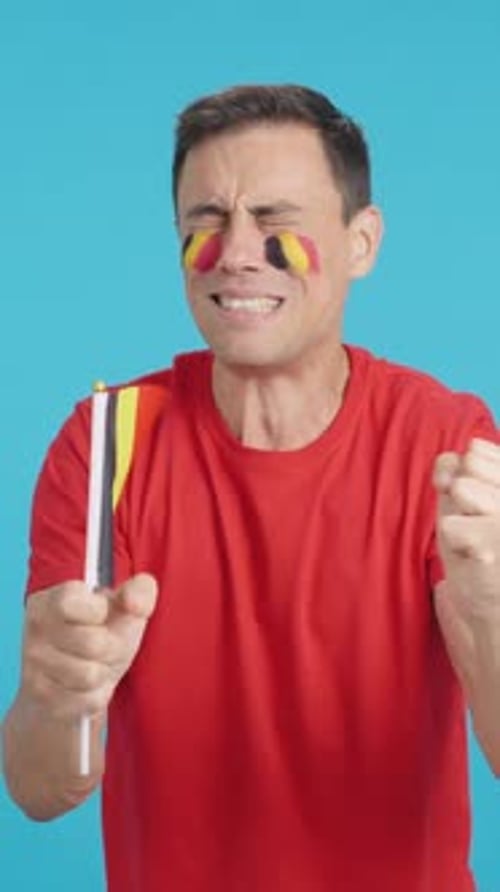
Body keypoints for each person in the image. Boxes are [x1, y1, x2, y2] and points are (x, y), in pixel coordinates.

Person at [2, 84, 500, 892]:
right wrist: (55, 698)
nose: (235, 253)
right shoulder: (106, 441)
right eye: (206, 223)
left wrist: (491, 611)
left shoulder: (444, 441)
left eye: (275, 222)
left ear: (361, 242)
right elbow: (39, 789)